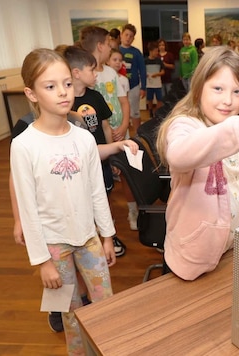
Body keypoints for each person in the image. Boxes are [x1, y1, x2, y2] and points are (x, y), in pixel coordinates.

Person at [155, 46, 239, 281]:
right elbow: (179, 155)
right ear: (199, 89)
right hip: (191, 256)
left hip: (230, 249)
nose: (228, 101)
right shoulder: (186, 126)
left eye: (237, 92)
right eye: (218, 88)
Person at [10, 48, 117, 355]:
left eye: (67, 83)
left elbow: (97, 190)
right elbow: (27, 207)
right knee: (66, 311)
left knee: (105, 306)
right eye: (50, 86)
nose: (63, 92)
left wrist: (107, 235)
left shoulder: (84, 138)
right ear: (31, 93)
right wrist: (41, 261)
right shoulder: (23, 145)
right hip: (52, 245)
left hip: (88, 238)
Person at [79, 26, 139, 234]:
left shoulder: (111, 72)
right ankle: (107, 225)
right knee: (102, 184)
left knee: (126, 175)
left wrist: (123, 127)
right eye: (108, 42)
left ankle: (133, 212)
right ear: (100, 46)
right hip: (99, 140)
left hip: (120, 134)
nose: (112, 45)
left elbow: (123, 103)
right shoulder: (82, 77)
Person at [119, 23, 147, 130]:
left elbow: (142, 70)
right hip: (119, 87)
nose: (128, 38)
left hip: (134, 86)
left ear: (133, 38)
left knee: (135, 111)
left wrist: (143, 87)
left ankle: (137, 135)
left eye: (131, 36)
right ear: (121, 35)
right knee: (121, 111)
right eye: (126, 35)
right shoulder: (115, 51)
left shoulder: (136, 52)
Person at [145, 41, 165, 118]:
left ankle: (157, 113)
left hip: (158, 84)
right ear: (151, 51)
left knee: (159, 99)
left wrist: (157, 74)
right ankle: (150, 111)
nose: (157, 52)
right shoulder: (145, 61)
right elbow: (142, 72)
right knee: (149, 99)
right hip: (149, 84)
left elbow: (163, 71)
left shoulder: (159, 60)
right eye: (156, 51)